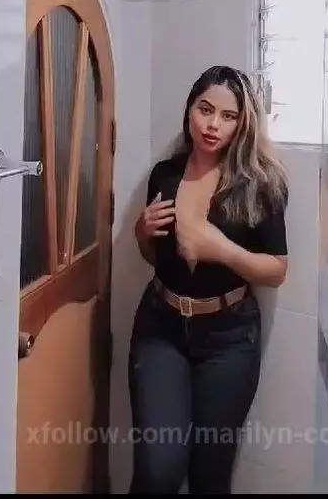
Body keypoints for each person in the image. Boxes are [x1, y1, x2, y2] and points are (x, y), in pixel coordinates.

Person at [128, 65, 289, 494]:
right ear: (189, 110)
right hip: (160, 327)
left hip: (229, 338)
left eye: (228, 115)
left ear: (243, 123)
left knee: (210, 474)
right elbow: (155, 258)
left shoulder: (261, 185)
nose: (213, 125)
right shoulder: (164, 174)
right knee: (158, 469)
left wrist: (222, 249)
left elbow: (277, 271)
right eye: (205, 109)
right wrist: (141, 232)